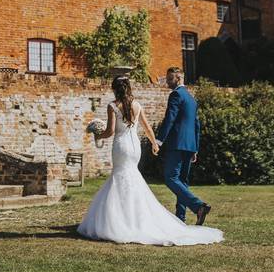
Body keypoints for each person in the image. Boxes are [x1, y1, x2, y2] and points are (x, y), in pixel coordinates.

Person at [77, 76, 223, 246]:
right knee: (132, 177)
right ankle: (135, 218)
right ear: (128, 87)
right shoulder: (137, 105)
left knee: (119, 178)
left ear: (115, 89)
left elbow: (110, 131)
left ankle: (122, 220)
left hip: (121, 146)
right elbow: (146, 127)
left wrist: (98, 135)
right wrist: (154, 144)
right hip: (134, 148)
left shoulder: (112, 106)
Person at [156, 67, 210, 225]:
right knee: (182, 181)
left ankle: (198, 206)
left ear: (178, 79)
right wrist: (195, 148)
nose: (167, 81)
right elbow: (196, 125)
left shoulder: (176, 95)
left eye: (170, 78)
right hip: (190, 145)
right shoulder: (191, 99)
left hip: (177, 144)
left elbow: (170, 119)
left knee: (171, 178)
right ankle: (180, 217)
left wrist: (159, 140)